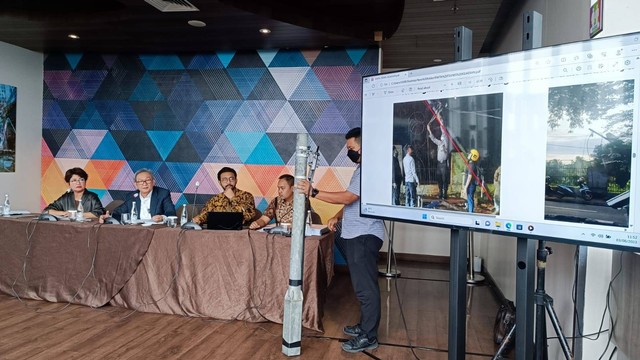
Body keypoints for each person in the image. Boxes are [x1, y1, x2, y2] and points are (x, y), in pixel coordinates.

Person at [297, 127, 385, 353]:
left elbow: (349, 197)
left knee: (365, 288)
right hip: (354, 234)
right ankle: (364, 326)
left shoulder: (369, 170)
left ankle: (369, 336)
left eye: (351, 148)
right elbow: (354, 203)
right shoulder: (361, 169)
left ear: (365, 147)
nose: (349, 152)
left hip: (364, 235)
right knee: (360, 282)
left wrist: (313, 192)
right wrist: (337, 216)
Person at [100, 169, 176, 223]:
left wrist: (162, 217)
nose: (144, 183)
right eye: (140, 181)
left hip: (155, 230)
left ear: (153, 182)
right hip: (136, 230)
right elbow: (118, 212)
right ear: (136, 185)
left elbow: (171, 212)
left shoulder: (162, 193)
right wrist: (108, 216)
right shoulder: (131, 196)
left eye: (148, 180)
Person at [192, 167, 257, 225]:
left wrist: (233, 198)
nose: (228, 182)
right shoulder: (215, 199)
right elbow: (205, 215)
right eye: (225, 179)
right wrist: (199, 219)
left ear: (236, 180)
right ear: (219, 182)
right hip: (219, 231)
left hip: (241, 231)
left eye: (231, 179)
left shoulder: (247, 196)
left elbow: (248, 216)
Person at [427, 120, 450, 199]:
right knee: (439, 179)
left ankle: (445, 194)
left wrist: (441, 122)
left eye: (442, 137)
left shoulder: (445, 143)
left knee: (444, 179)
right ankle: (440, 193)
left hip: (444, 164)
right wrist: (429, 129)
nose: (441, 138)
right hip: (439, 164)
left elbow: (443, 131)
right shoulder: (440, 143)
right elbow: (433, 139)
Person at [463, 149, 480, 213]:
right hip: (471, 185)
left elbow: (469, 177)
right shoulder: (472, 164)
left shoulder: (471, 165)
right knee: (469, 198)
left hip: (470, 185)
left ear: (473, 156)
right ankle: (470, 211)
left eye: (470, 154)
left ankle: (471, 213)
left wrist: (465, 187)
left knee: (470, 198)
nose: (468, 154)